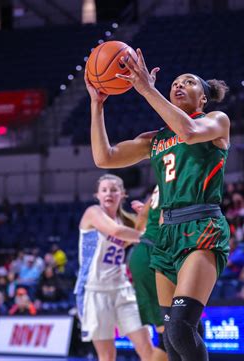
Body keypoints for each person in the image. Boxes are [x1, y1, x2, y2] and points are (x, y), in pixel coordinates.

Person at [85, 48, 231, 361]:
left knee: (180, 328)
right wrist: (97, 105)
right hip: (166, 236)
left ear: (203, 98)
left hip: (201, 228)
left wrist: (147, 90)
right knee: (170, 342)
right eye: (175, 82)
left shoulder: (215, 121)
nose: (179, 85)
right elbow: (104, 157)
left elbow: (189, 131)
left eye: (189, 82)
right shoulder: (155, 139)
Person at [74, 174, 153, 361]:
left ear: (122, 194)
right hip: (94, 291)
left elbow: (151, 228)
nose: (108, 193)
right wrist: (144, 235)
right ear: (97, 195)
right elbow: (118, 232)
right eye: (104, 190)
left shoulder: (127, 221)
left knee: (146, 348)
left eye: (113, 189)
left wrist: (147, 212)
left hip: (123, 290)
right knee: (107, 356)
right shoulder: (92, 213)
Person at [129, 186, 167, 361]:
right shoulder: (183, 175)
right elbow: (164, 221)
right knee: (171, 333)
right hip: (153, 256)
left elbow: (143, 215)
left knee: (174, 333)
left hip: (143, 253)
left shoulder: (163, 179)